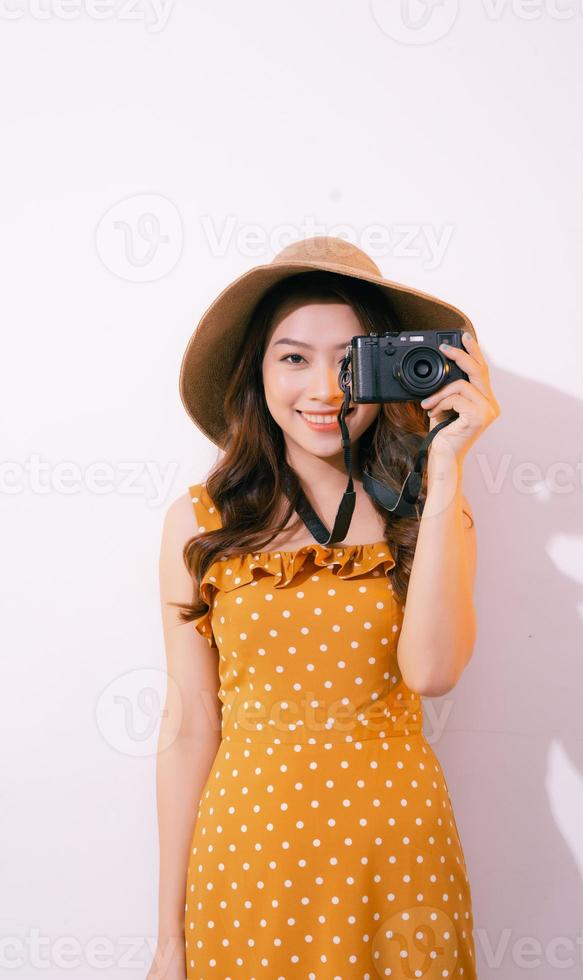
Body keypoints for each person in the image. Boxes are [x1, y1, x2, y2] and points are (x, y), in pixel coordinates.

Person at [148, 236, 501, 979]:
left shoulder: (432, 511)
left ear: (385, 366)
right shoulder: (199, 522)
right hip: (248, 865)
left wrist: (445, 468)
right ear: (257, 370)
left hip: (396, 863)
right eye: (294, 357)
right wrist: (169, 940)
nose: (324, 388)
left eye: (350, 360)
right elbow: (189, 728)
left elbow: (433, 673)